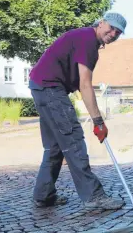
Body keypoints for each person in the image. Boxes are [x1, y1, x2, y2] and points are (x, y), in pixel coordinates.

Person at [28, 11, 127, 209]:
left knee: (55, 147)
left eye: (118, 32)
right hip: (49, 88)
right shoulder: (88, 41)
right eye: (111, 28)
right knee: (73, 141)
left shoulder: (85, 38)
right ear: (101, 23)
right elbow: (85, 84)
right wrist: (98, 121)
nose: (113, 33)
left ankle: (43, 195)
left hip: (40, 86)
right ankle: (94, 197)